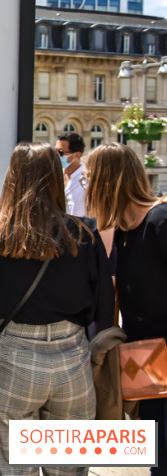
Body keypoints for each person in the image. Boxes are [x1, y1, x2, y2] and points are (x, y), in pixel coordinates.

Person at [0, 142, 114, 476]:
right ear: (56, 176)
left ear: (13, 178)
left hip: (13, 359)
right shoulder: (84, 232)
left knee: (15, 468)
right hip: (71, 359)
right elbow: (102, 301)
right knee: (67, 468)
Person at [85, 142, 167, 475]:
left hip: (162, 356)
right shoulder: (123, 231)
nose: (86, 185)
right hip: (145, 360)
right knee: (157, 456)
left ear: (109, 181)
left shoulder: (160, 221)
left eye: (90, 177)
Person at [55, 131, 87, 217]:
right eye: (55, 152)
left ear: (77, 155)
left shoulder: (86, 179)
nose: (57, 156)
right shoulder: (56, 175)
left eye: (61, 152)